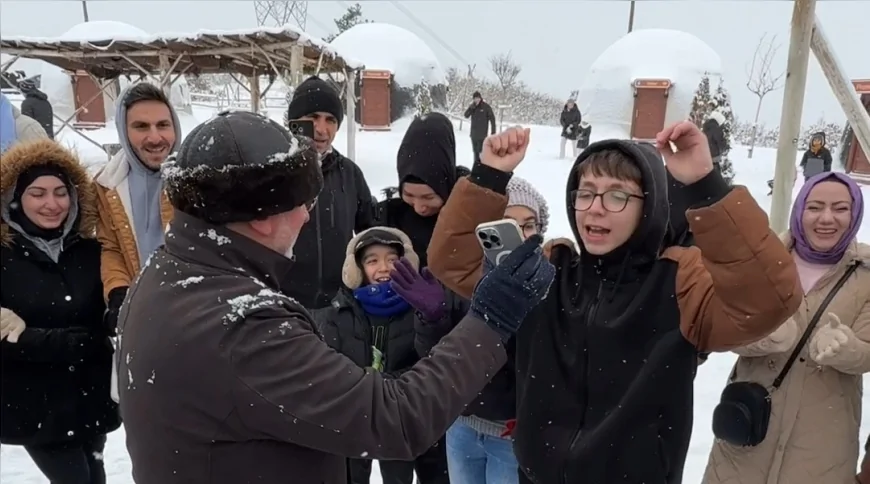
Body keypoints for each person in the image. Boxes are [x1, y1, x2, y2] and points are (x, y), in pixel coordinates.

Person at [116, 110, 556, 484]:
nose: (308, 217)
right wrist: (491, 320)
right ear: (264, 215)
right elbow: (395, 418)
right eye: (303, 202)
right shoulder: (241, 328)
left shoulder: (167, 272)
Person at [427, 122, 803, 484]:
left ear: (649, 206)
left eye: (617, 195)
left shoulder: (679, 284)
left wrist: (706, 185)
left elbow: (767, 300)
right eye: (586, 193)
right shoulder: (548, 274)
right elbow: (454, 263)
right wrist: (488, 177)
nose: (595, 207)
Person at [703, 171, 868, 484]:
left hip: (821, 447)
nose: (826, 218)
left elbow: (867, 354)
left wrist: (846, 349)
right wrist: (763, 337)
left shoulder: (866, 276)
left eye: (840, 209)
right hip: (747, 434)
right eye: (815, 207)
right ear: (799, 209)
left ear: (855, 213)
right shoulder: (763, 262)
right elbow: (723, 328)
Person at [411, 175, 550, 484]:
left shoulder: (548, 285)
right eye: (507, 225)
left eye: (529, 225)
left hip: (510, 436)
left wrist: (530, 421)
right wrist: (432, 319)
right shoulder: (463, 282)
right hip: (461, 427)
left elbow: (544, 371)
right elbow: (435, 359)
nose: (520, 235)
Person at [0, 139, 120, 484]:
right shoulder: (4, 256)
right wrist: (57, 342)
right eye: (37, 194)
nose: (52, 204)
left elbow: (104, 313)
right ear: (12, 198)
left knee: (95, 474)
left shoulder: (90, 250)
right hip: (35, 406)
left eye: (60, 193)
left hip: (90, 397)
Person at [315, 226, 450, 484]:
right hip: (354, 413)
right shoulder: (338, 311)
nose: (384, 268)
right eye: (372, 261)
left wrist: (389, 386)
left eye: (392, 259)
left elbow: (431, 360)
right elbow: (328, 363)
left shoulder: (419, 309)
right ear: (357, 268)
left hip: (404, 414)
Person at [93, 83, 180, 333]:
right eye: (141, 127)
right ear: (123, 132)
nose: (155, 138)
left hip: (192, 308)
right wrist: (118, 291)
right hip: (140, 311)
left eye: (163, 125)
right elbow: (111, 247)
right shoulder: (108, 184)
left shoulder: (197, 178)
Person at [285, 76, 375, 309]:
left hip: (340, 304)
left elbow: (369, 234)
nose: (321, 129)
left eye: (331, 120)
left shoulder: (350, 173)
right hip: (285, 305)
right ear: (294, 121)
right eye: (312, 117)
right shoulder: (274, 170)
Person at [377, 112, 469, 267]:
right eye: (409, 195)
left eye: (428, 197)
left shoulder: (470, 211)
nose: (419, 207)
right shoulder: (389, 216)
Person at [463, 91, 496, 166]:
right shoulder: (472, 107)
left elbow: (492, 119)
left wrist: (493, 131)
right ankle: (476, 167)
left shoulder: (486, 107)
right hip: (473, 134)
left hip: (482, 135)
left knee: (481, 152)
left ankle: (481, 167)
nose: (476, 100)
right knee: (475, 152)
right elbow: (466, 115)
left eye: (478, 98)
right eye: (475, 98)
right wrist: (471, 108)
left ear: (480, 98)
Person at [702, 109, 727, 174]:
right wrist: (725, 144)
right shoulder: (716, 128)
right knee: (715, 176)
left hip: (705, 156)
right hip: (713, 157)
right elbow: (721, 142)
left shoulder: (705, 127)